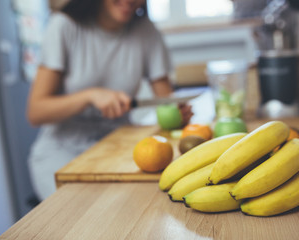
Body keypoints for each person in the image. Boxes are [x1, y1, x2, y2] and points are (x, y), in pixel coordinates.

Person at [27, 0, 192, 201]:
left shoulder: (145, 30)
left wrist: (179, 113)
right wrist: (89, 96)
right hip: (61, 152)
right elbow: (36, 112)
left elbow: (166, 101)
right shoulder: (63, 25)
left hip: (120, 148)